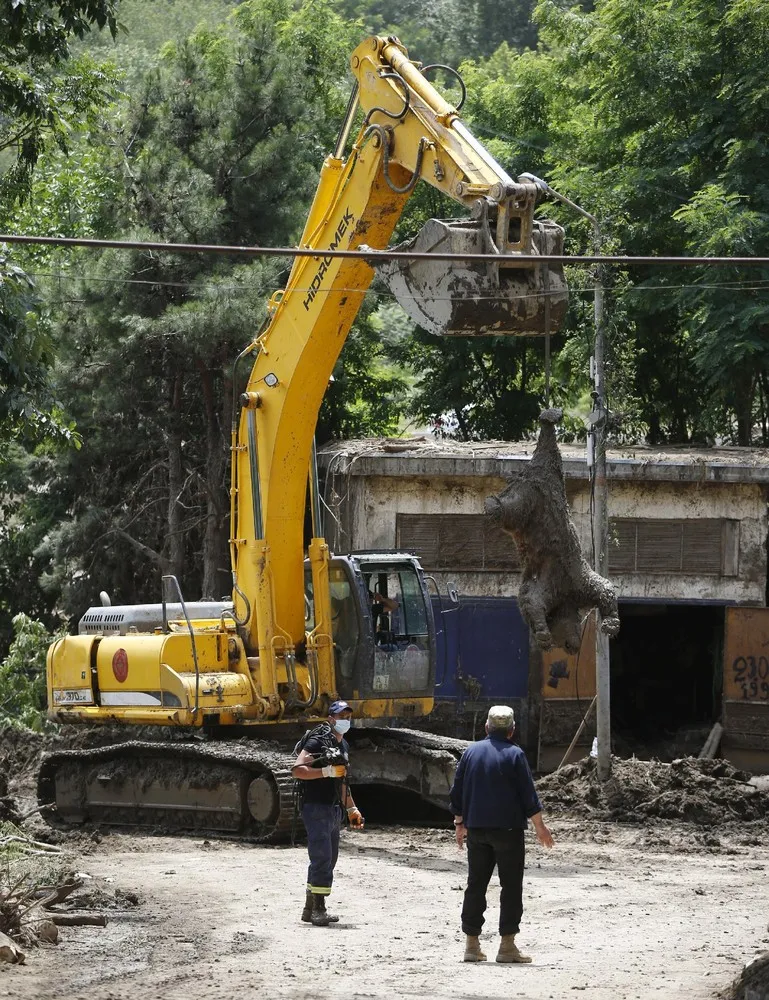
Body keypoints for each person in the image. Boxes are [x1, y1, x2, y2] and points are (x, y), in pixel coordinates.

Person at [449, 704, 554, 963]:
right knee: (510, 887)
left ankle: (471, 946)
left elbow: (457, 792)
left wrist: (459, 823)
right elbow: (528, 796)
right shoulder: (516, 755)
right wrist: (540, 827)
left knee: (476, 885)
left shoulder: (470, 753)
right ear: (512, 730)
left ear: (486, 727)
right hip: (508, 832)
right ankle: (507, 947)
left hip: (477, 831)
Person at [291, 700, 365, 926]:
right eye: (341, 716)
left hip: (333, 809)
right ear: (331, 718)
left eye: (348, 716)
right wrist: (326, 771)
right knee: (322, 858)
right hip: (316, 807)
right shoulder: (318, 740)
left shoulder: (343, 745)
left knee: (328, 859)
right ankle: (318, 911)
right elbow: (297, 770)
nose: (346, 720)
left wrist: (351, 808)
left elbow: (342, 779)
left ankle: (309, 907)